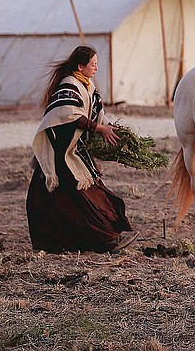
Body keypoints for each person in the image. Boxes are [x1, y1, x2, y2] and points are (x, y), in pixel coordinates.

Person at [26, 45, 137, 253]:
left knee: (84, 195)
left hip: (73, 151)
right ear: (80, 66)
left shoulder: (87, 85)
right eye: (93, 65)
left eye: (96, 64)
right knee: (82, 198)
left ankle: (96, 238)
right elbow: (69, 115)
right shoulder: (68, 86)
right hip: (60, 154)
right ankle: (106, 241)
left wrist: (110, 128)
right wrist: (98, 128)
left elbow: (96, 112)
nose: (96, 68)